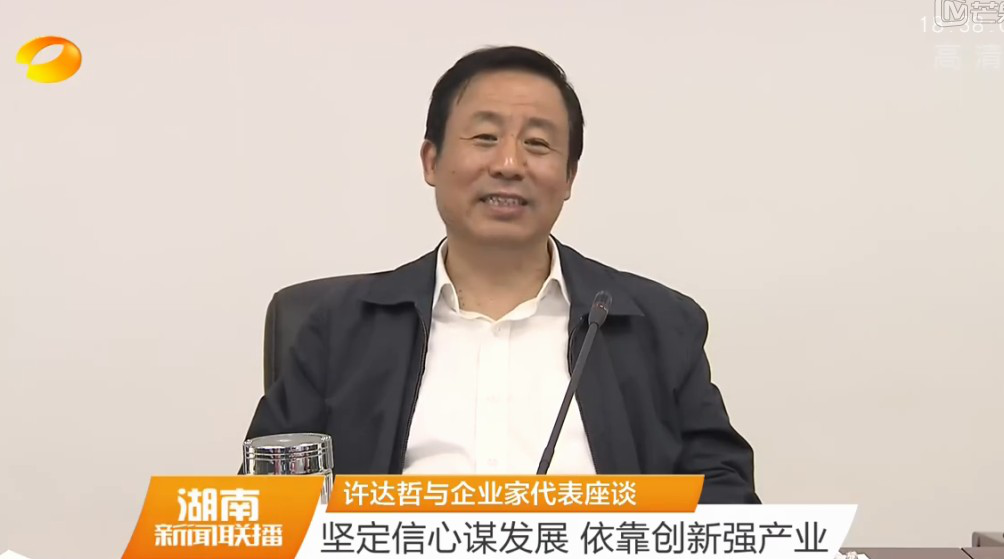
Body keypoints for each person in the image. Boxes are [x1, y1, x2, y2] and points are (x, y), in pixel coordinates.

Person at [243, 45, 759, 504]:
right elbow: (264, 508)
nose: (510, 163)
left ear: (569, 177)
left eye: (537, 144)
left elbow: (725, 499)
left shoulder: (655, 323)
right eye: (485, 137)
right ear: (431, 161)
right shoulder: (339, 326)